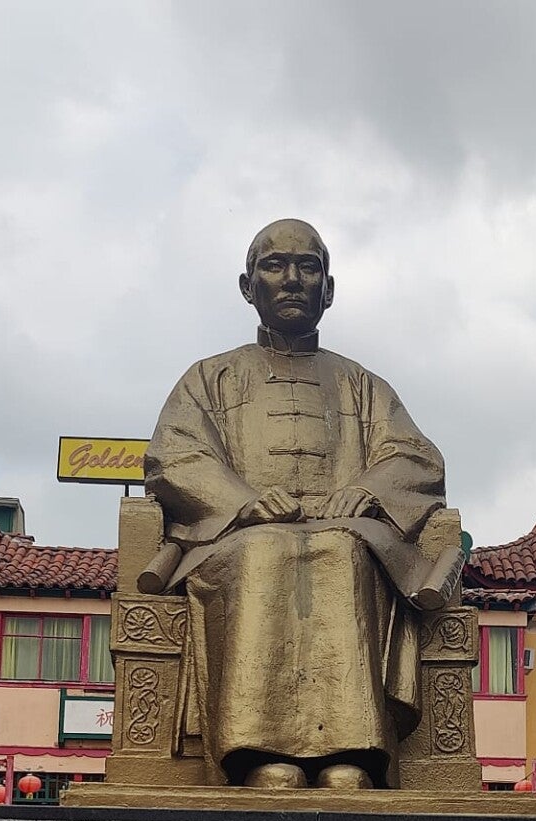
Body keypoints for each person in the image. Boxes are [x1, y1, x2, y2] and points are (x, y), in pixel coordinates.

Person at [143, 218, 457, 790]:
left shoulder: (362, 384)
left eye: (307, 267)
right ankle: (256, 752)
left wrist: (369, 490)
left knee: (344, 552)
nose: (291, 279)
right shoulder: (207, 378)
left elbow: (417, 458)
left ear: (327, 290)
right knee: (264, 551)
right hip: (235, 541)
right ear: (248, 286)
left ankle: (351, 752)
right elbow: (174, 457)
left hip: (346, 536)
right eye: (274, 265)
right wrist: (243, 502)